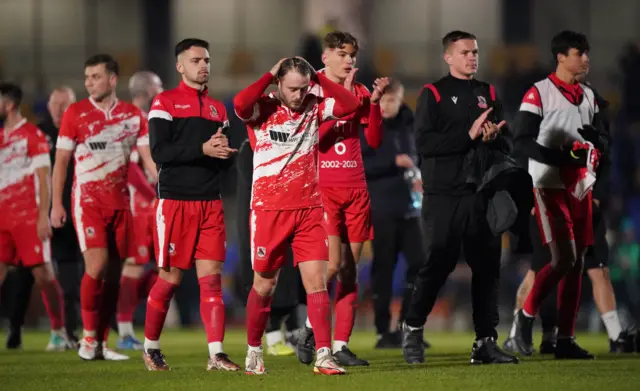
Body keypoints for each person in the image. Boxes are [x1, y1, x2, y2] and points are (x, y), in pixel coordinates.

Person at [233, 57, 360, 375]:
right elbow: (239, 103)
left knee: (316, 284)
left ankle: (323, 356)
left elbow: (349, 104)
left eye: (303, 88)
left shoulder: (314, 105)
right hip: (268, 210)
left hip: (308, 210)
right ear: (278, 83)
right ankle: (253, 351)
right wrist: (268, 74)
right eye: (292, 88)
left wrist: (320, 81)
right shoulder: (262, 108)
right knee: (264, 285)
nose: (298, 95)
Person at [402, 30, 518, 365]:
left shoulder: (488, 92)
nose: (472, 57)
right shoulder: (433, 94)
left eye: (476, 51)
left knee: (487, 268)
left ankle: (485, 342)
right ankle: (413, 328)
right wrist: (467, 136)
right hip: (444, 194)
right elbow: (424, 144)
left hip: (481, 193)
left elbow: (507, 144)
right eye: (465, 52)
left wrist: (494, 137)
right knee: (438, 262)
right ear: (448, 56)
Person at [141, 38, 239, 372]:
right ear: (180, 66)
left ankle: (216, 353)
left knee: (211, 281)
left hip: (210, 203)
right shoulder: (164, 103)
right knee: (169, 279)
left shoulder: (217, 109)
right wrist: (203, 149)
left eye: (207, 60)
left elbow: (218, 157)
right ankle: (151, 348)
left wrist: (225, 155)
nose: (204, 65)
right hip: (176, 203)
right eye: (196, 60)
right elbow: (160, 153)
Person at [510, 31, 609, 360]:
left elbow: (603, 143)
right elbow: (521, 141)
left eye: (587, 52)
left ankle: (565, 339)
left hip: (581, 187)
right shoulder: (539, 93)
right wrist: (561, 158)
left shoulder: (591, 96)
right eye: (579, 52)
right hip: (549, 186)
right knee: (562, 259)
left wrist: (599, 141)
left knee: (577, 263)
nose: (586, 58)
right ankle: (525, 317)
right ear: (561, 57)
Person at [51, 54, 155, 361]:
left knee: (113, 275)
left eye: (95, 77)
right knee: (95, 267)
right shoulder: (75, 113)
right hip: (87, 203)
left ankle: (101, 343)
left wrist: (165, 185)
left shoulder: (133, 116)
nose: (89, 83)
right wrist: (57, 203)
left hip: (121, 206)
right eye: (86, 77)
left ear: (112, 80)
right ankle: (88, 338)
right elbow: (60, 163)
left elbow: (148, 159)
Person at [296, 30, 387, 367]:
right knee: (331, 264)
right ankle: (309, 327)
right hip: (323, 189)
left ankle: (340, 345)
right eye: (343, 54)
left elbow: (374, 140)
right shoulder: (311, 90)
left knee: (350, 270)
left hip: (356, 188)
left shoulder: (361, 91)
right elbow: (305, 138)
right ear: (326, 57)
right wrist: (335, 112)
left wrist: (374, 105)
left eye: (352, 54)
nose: (349, 60)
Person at [5, 86, 81, 350]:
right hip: (25, 218)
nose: (59, 109)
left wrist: (51, 212)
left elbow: (52, 177)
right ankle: (15, 328)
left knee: (62, 279)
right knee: (24, 280)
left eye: (64, 104)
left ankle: (66, 332)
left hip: (61, 218)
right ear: (48, 106)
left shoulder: (76, 132)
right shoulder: (35, 133)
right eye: (55, 104)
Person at [361, 80, 426, 349]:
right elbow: (361, 164)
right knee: (383, 270)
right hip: (381, 207)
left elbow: (417, 156)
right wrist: (392, 163)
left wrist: (419, 174)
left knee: (420, 264)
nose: (387, 106)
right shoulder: (367, 125)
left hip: (410, 207)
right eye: (384, 100)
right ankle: (382, 330)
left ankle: (407, 326)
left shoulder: (410, 125)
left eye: (393, 101)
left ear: (400, 99)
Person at [235, 139, 302, 357]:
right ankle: (271, 337)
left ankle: (292, 331)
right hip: (260, 218)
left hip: (283, 213)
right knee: (266, 278)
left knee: (291, 273)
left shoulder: (285, 142)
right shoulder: (250, 149)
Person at [115, 71, 164, 351]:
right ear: (146, 92)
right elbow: (130, 168)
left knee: (166, 266)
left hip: (153, 205)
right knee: (133, 265)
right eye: (158, 88)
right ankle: (123, 329)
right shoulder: (131, 120)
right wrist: (154, 192)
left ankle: (130, 314)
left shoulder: (148, 119)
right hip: (136, 207)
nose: (163, 92)